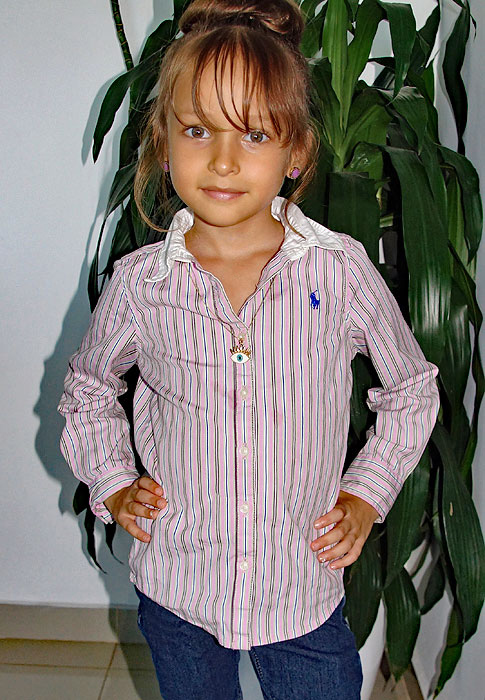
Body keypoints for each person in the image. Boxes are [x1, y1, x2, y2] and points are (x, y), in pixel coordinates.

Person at [58, 1, 440, 698]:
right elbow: (88, 389)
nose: (224, 160)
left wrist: (366, 493)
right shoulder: (142, 284)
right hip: (178, 588)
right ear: (163, 141)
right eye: (198, 129)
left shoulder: (339, 270)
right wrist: (111, 480)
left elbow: (410, 390)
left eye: (255, 133)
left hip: (301, 590)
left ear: (296, 152)